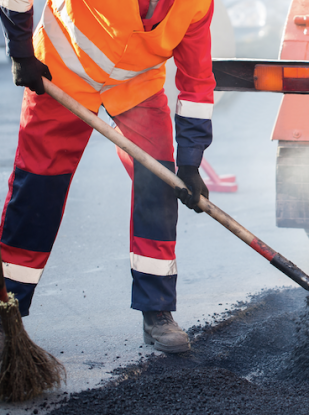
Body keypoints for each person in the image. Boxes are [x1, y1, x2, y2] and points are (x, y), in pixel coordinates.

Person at [0, 0, 215, 353]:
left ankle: (156, 310)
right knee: (38, 191)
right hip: (61, 72)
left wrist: (190, 162)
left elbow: (196, 81)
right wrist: (20, 50)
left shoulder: (197, 5)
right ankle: (6, 310)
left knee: (158, 184)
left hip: (135, 86)